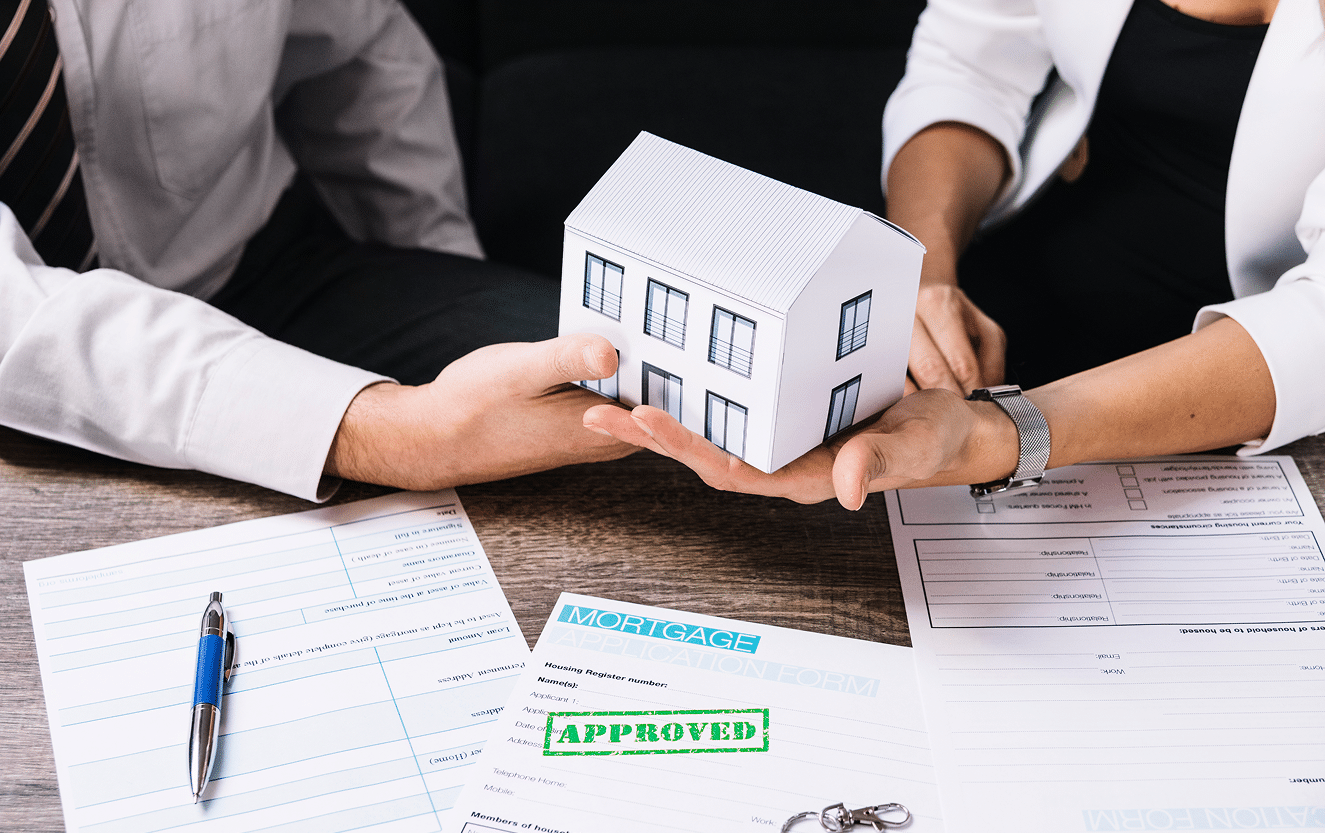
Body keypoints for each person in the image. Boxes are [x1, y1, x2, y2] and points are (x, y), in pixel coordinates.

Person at [583, 0, 1325, 508]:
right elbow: (968, 66)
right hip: (1004, 299)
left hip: (1239, 396)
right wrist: (921, 272)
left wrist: (999, 435)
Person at [1, 0, 631, 501]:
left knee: (617, 381)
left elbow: (357, 51)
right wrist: (391, 433)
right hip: (17, 386)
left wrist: (444, 283)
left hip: (258, 266)